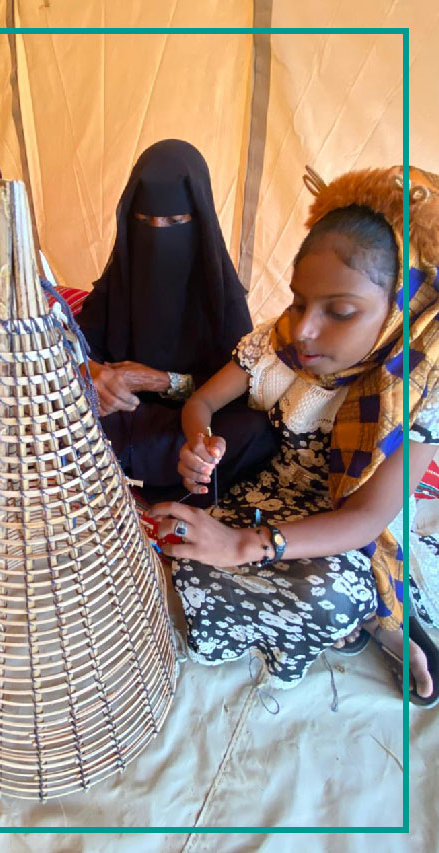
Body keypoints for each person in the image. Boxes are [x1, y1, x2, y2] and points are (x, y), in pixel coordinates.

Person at [150, 165, 439, 704]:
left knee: (328, 596)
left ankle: (369, 620)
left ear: (402, 306)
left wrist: (242, 546)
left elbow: (364, 519)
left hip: (345, 528)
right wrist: (199, 442)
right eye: (299, 301)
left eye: (340, 311)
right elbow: (201, 402)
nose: (304, 329)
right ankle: (329, 626)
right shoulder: (276, 343)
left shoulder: (421, 389)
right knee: (180, 546)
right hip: (266, 498)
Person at [77, 139, 277, 499]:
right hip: (119, 416)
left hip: (187, 423)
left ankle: (135, 474)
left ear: (199, 222)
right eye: (144, 221)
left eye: (174, 222)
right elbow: (74, 345)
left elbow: (237, 383)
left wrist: (161, 381)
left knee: (255, 429)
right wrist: (94, 374)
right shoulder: (119, 280)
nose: (157, 234)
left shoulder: (220, 294)